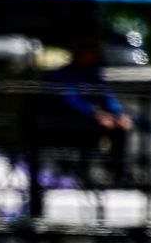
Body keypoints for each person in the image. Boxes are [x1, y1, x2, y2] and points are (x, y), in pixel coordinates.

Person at [43, 37, 134, 184]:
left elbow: (105, 95)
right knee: (91, 127)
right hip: (66, 120)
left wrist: (118, 114)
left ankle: (117, 171)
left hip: (88, 117)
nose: (93, 55)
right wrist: (96, 114)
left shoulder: (93, 73)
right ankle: (82, 171)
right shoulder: (60, 75)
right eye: (89, 51)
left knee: (120, 128)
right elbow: (70, 99)